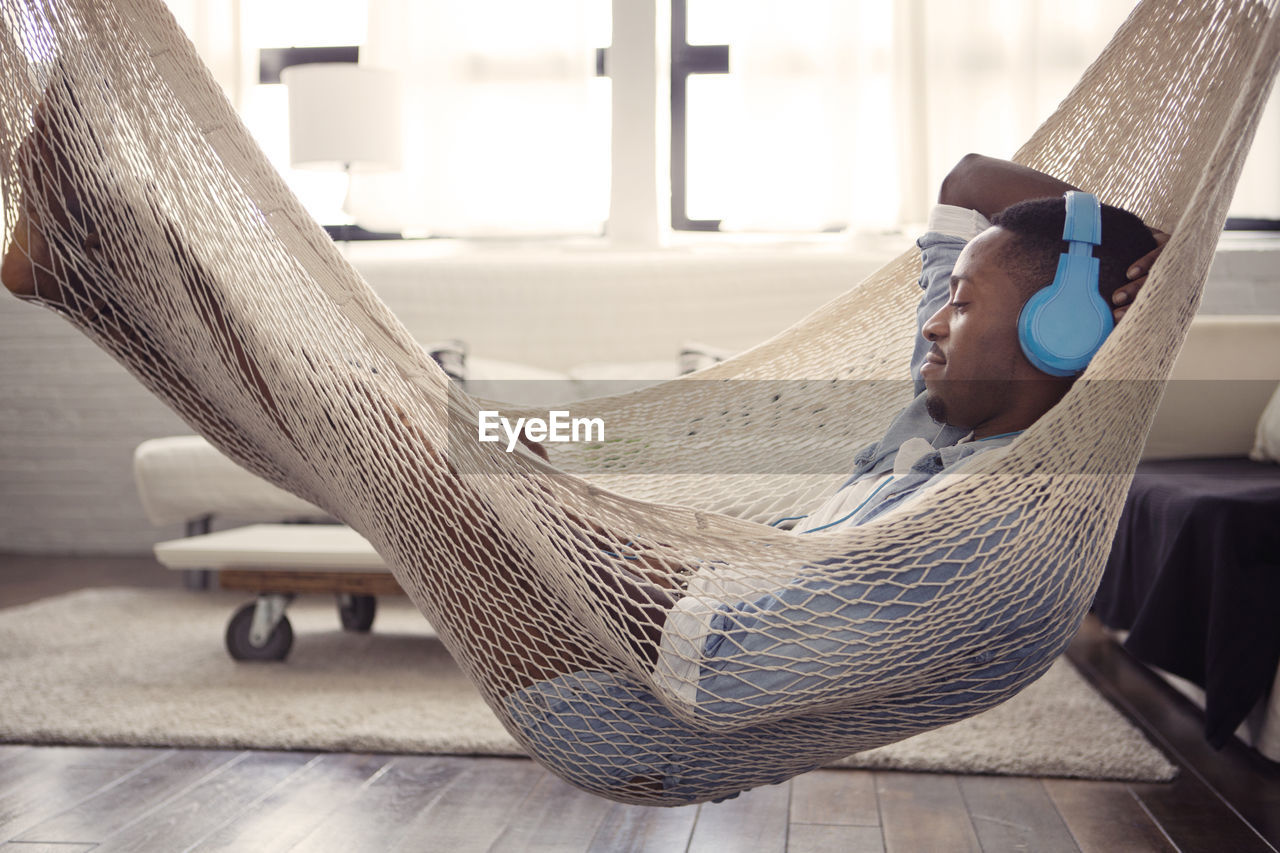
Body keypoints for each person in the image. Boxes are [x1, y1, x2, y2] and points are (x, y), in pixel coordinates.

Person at [1, 90, 1164, 803]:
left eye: (958, 306)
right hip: (632, 620)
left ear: (1057, 338)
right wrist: (1101, 257)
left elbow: (740, 664)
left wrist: (583, 534)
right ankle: (85, 266)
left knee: (383, 418)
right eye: (943, 297)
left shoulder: (985, 526)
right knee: (365, 418)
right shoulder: (947, 409)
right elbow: (967, 189)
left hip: (630, 698)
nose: (929, 316)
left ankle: (99, 234)